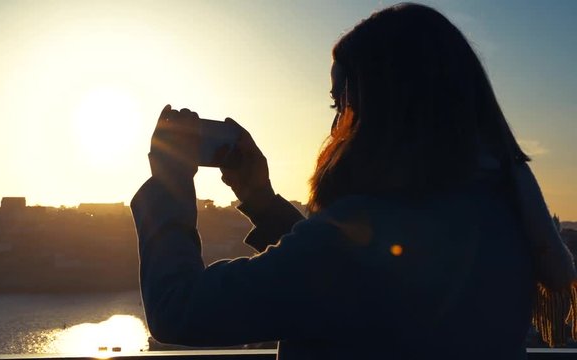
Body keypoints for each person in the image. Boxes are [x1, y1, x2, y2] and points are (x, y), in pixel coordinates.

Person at [130, 3, 577, 359]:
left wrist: (169, 185)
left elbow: (180, 308)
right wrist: (261, 201)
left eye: (339, 106)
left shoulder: (348, 249)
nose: (336, 127)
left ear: (379, 109)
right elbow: (361, 280)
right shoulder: (506, 217)